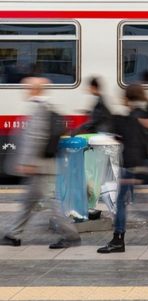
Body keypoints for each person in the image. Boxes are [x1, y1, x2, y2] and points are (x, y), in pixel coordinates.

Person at [0, 77, 81, 249]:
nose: (25, 90)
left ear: (35, 89)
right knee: (27, 201)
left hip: (40, 166)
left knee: (54, 204)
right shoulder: (46, 107)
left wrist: (28, 162)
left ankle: (71, 236)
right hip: (42, 164)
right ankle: (13, 234)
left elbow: (35, 137)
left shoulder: (39, 108)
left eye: (27, 87)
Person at [97, 84, 148, 254]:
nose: (121, 99)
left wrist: (131, 169)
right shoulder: (144, 114)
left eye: (123, 97)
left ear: (128, 98)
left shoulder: (133, 117)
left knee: (124, 203)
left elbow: (133, 144)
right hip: (140, 164)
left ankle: (118, 240)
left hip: (132, 167)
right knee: (138, 204)